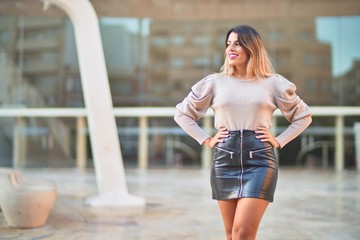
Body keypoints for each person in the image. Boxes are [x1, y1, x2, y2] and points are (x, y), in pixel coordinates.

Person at [174, 25, 312, 240]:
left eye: (237, 43)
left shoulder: (272, 83)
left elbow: (303, 116)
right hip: (224, 162)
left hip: (259, 162)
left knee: (243, 232)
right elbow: (182, 115)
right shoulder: (215, 82)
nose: (231, 48)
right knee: (231, 234)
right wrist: (207, 140)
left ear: (252, 48)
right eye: (228, 43)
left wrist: (279, 140)